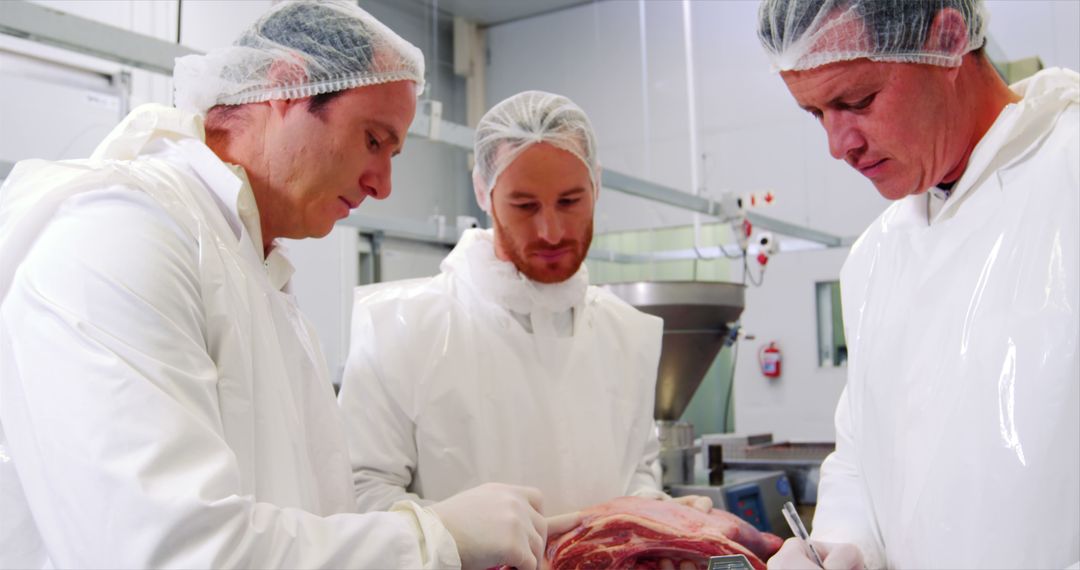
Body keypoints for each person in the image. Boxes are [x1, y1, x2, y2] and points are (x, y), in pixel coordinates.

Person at [0, 2, 565, 568]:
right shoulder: (121, 234)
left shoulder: (253, 272)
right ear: (287, 85)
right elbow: (171, 552)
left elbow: (304, 517)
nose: (384, 185)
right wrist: (429, 538)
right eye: (374, 140)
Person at [756, 0, 1079, 568]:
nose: (838, 144)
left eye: (856, 101)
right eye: (816, 114)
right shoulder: (875, 258)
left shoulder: (1067, 178)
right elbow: (862, 457)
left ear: (948, 39)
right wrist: (843, 545)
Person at [337, 90, 715, 520]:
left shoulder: (624, 333)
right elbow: (360, 495)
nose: (551, 231)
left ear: (596, 186)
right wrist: (457, 536)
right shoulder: (403, 328)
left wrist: (655, 512)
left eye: (570, 202)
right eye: (524, 205)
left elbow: (637, 472)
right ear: (484, 192)